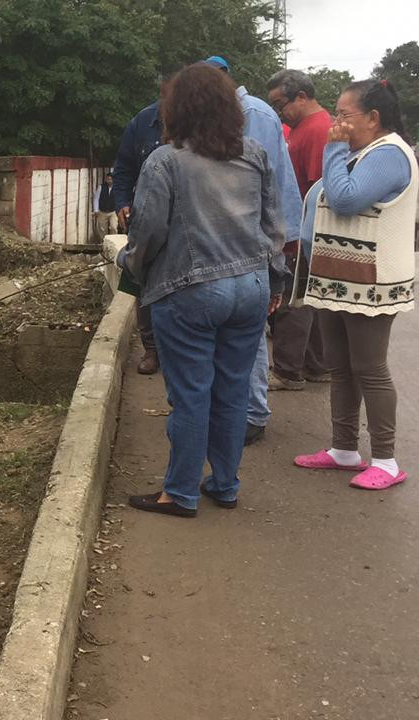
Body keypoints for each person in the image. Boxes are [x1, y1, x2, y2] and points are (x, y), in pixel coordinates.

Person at [118, 64, 288, 517]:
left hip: (191, 291)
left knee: (191, 394)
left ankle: (179, 493)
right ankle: (225, 485)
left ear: (177, 109)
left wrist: (127, 263)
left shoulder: (166, 160)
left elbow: (148, 232)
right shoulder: (254, 154)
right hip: (250, 288)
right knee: (232, 392)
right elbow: (274, 228)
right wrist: (275, 280)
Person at [291, 79, 417, 491]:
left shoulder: (389, 154)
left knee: (369, 369)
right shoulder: (362, 152)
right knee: (340, 366)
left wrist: (332, 149)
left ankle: (386, 459)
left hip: (370, 284)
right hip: (340, 280)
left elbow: (345, 200)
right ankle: (344, 448)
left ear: (373, 118)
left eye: (344, 115)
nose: (336, 123)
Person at [201, 55, 302, 447]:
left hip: (255, 237)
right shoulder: (234, 113)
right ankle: (239, 409)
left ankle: (252, 412)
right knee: (243, 326)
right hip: (247, 236)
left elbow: (257, 185)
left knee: (249, 329)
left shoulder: (252, 114)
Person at [267, 69, 335, 391]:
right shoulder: (305, 128)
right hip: (302, 227)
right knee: (310, 299)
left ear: (302, 97)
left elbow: (319, 189)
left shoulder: (318, 130)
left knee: (293, 300)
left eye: (281, 104)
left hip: (304, 229)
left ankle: (287, 371)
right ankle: (316, 365)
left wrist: (299, 235)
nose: (279, 112)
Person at [112, 78, 171, 375]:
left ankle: (173, 348)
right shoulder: (142, 122)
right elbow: (123, 169)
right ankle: (151, 349)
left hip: (183, 221)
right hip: (145, 216)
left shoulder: (200, 123)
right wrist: (122, 203)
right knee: (143, 282)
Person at [93, 171, 119, 239]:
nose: (109, 181)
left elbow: (119, 199)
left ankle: (113, 241)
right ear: (106, 179)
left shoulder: (117, 188)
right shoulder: (101, 187)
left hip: (113, 211)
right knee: (102, 230)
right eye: (108, 179)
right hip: (102, 211)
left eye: (111, 179)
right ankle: (103, 242)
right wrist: (96, 210)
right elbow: (96, 198)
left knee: (113, 227)